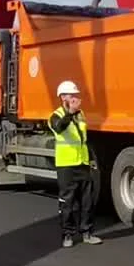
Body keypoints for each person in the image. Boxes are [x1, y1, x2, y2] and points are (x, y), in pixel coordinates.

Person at [48, 80, 101, 248]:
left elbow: (83, 139)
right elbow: (59, 128)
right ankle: (67, 235)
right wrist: (69, 112)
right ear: (62, 97)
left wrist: (91, 159)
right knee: (67, 201)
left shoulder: (80, 114)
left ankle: (87, 232)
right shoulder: (55, 115)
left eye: (75, 95)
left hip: (82, 163)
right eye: (71, 95)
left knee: (87, 201)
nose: (75, 99)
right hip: (66, 165)